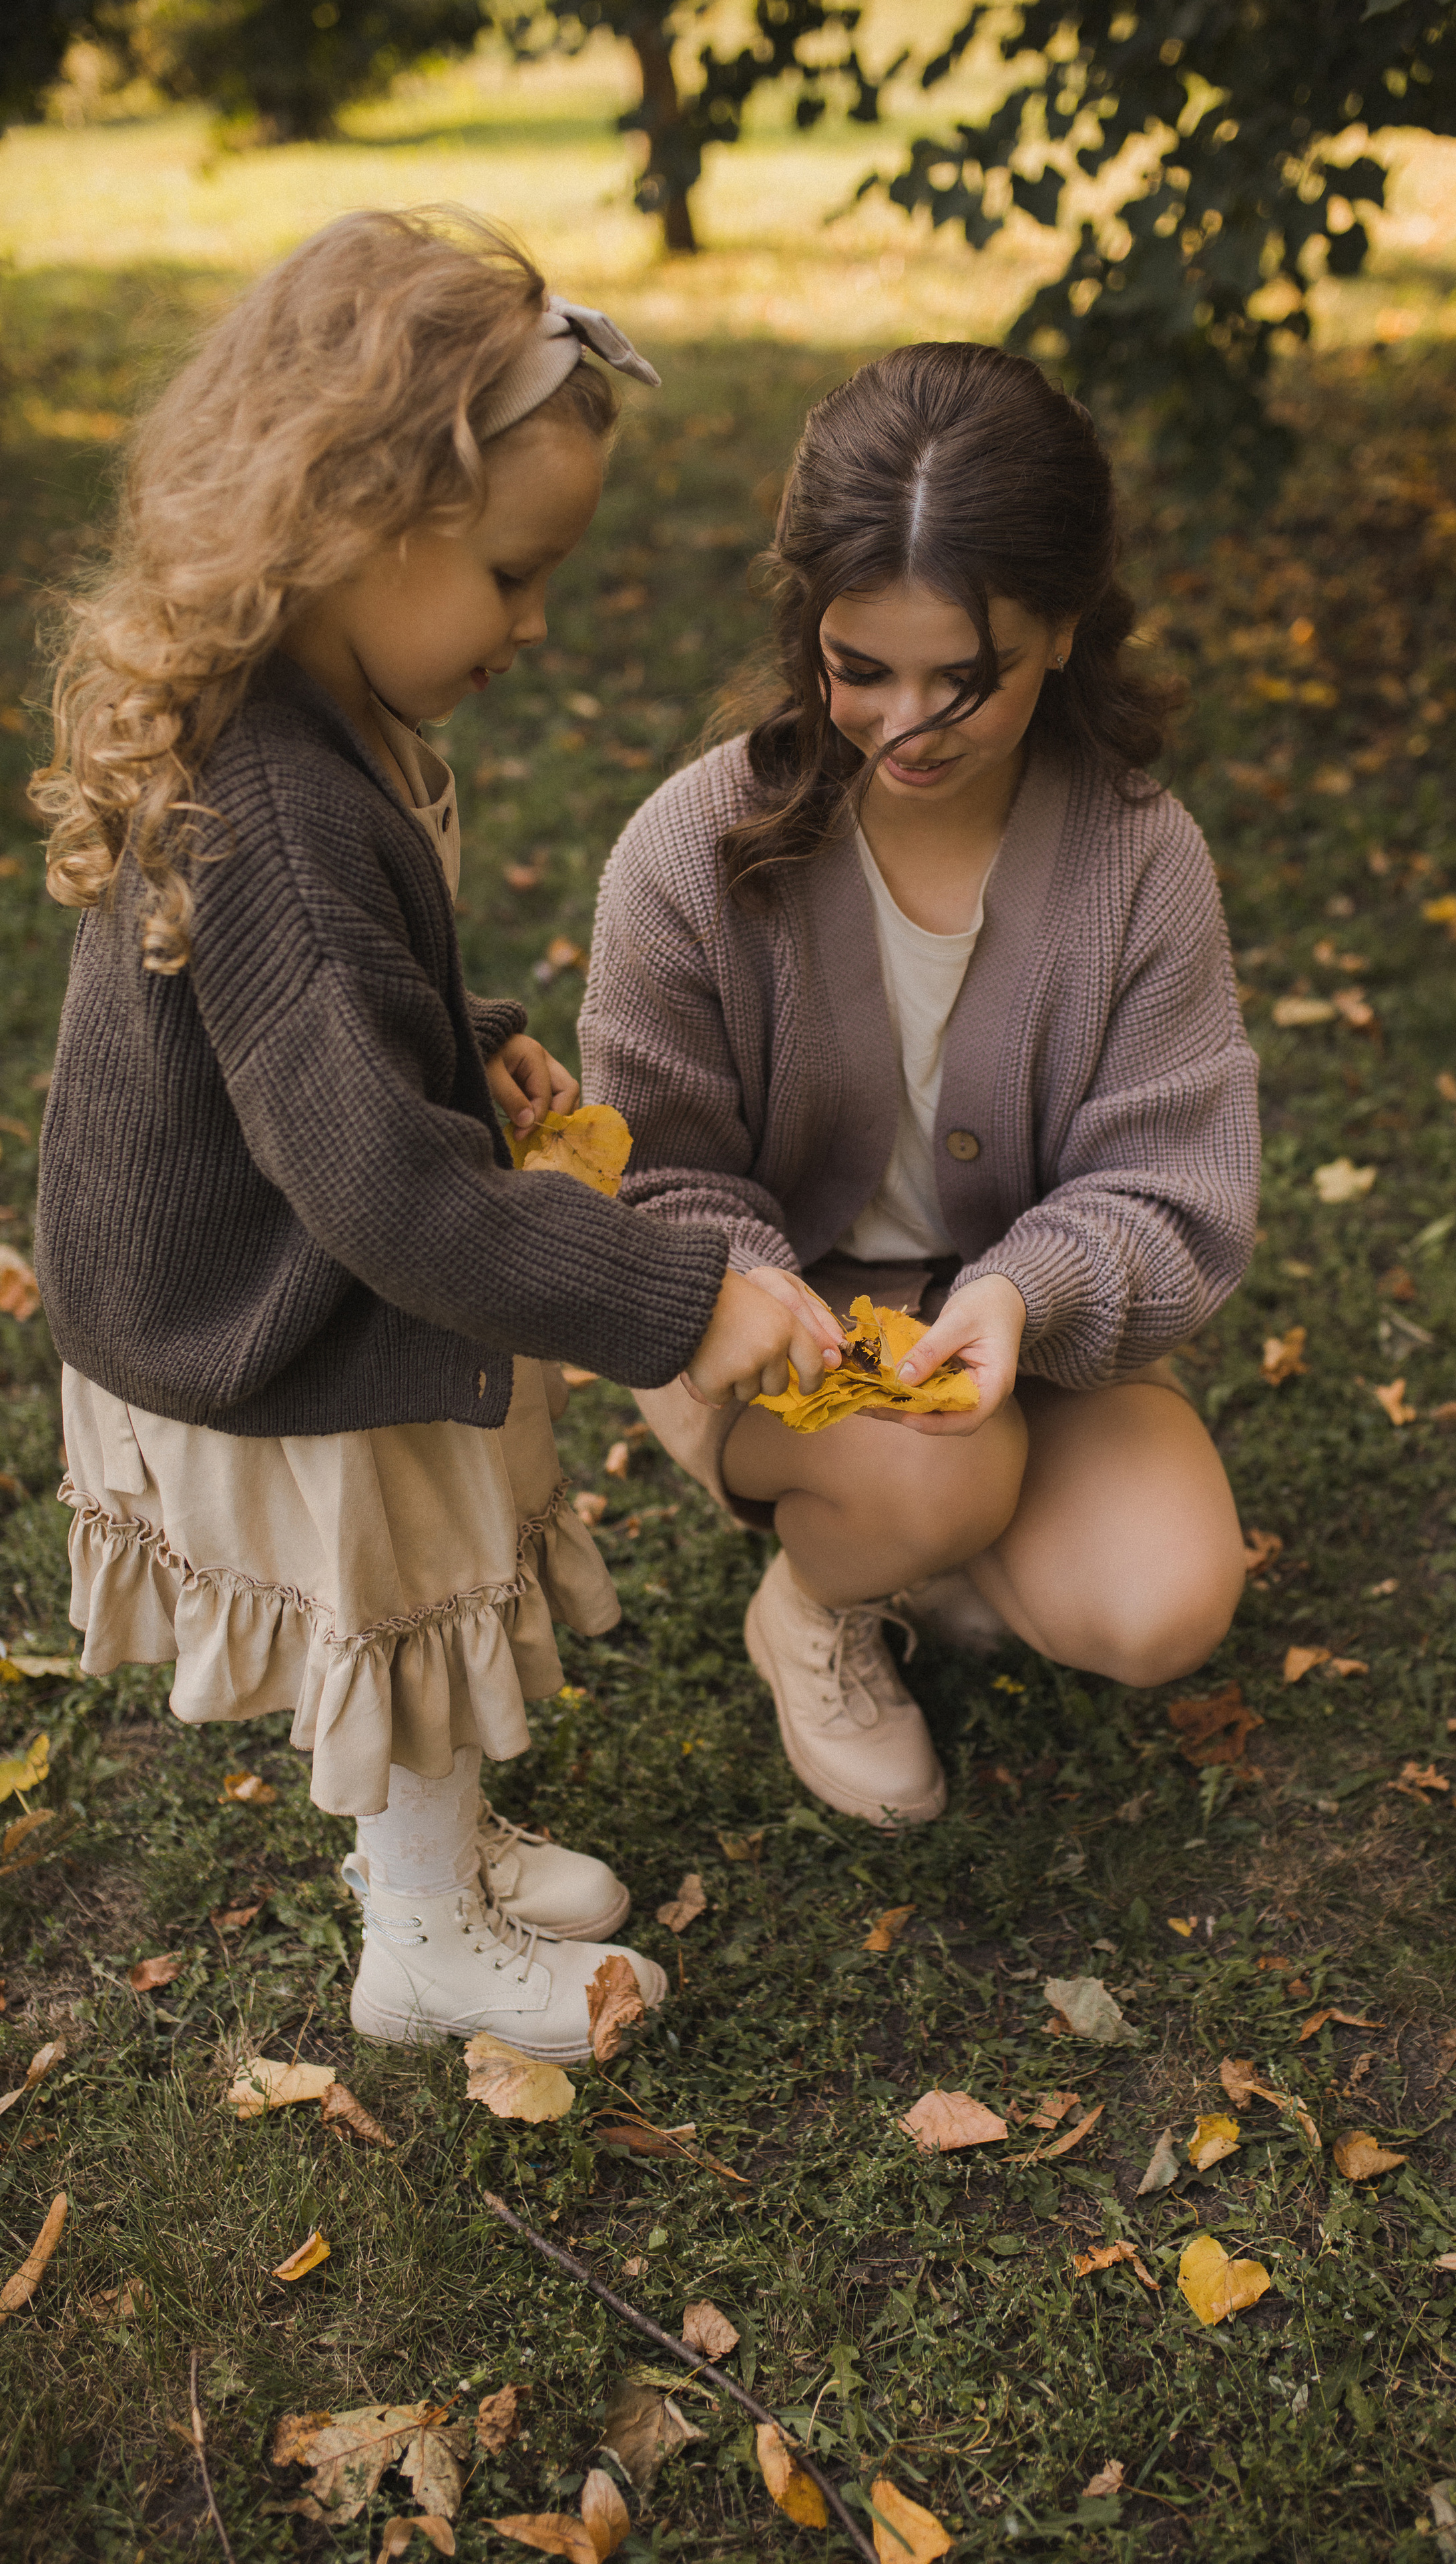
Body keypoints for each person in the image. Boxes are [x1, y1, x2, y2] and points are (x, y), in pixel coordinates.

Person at [28, 207, 840, 2057]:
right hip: (276, 1295)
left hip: (283, 1225)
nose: (535, 626)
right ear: (350, 538)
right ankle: (419, 1942)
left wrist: (466, 1043)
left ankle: (440, 1853)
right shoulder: (289, 814)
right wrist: (679, 1303)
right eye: (510, 576)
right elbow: (384, 1184)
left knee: (432, 1549)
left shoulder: (298, 714)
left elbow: (306, 1028)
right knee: (413, 1556)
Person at [579, 341, 1259, 1829]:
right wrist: (764, 1299)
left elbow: (1174, 1182)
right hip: (777, 1339)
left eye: (967, 680)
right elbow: (655, 1171)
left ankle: (943, 1520)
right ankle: (820, 1599)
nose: (903, 727)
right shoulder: (690, 855)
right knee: (923, 1484)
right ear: (805, 626)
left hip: (1023, 1333)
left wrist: (1023, 1299)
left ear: (1065, 632)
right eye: (858, 671)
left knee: (1159, 1606)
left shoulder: (1137, 860)